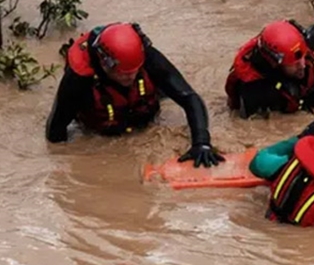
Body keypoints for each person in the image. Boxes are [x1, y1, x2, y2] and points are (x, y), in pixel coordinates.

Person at [46, 22, 225, 168]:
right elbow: (55, 132)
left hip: (143, 117)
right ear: (104, 64)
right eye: (123, 73)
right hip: (102, 130)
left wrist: (201, 143)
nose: (130, 76)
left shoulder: (146, 56)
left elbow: (189, 97)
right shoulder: (78, 78)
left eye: (135, 70)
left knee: (164, 87)